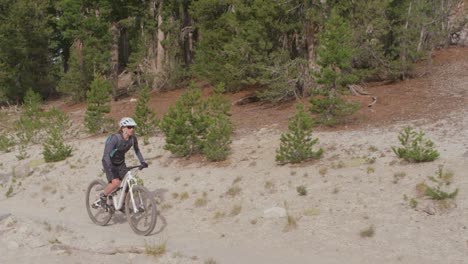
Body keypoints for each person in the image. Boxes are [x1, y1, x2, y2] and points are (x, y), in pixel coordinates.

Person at [94, 117, 148, 208]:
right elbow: (106, 155)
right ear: (123, 128)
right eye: (129, 127)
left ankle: (123, 205)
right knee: (116, 182)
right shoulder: (115, 138)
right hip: (109, 162)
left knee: (127, 184)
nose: (132, 129)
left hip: (121, 163)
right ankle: (103, 196)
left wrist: (142, 161)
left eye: (133, 127)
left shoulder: (133, 139)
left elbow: (137, 150)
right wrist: (111, 169)